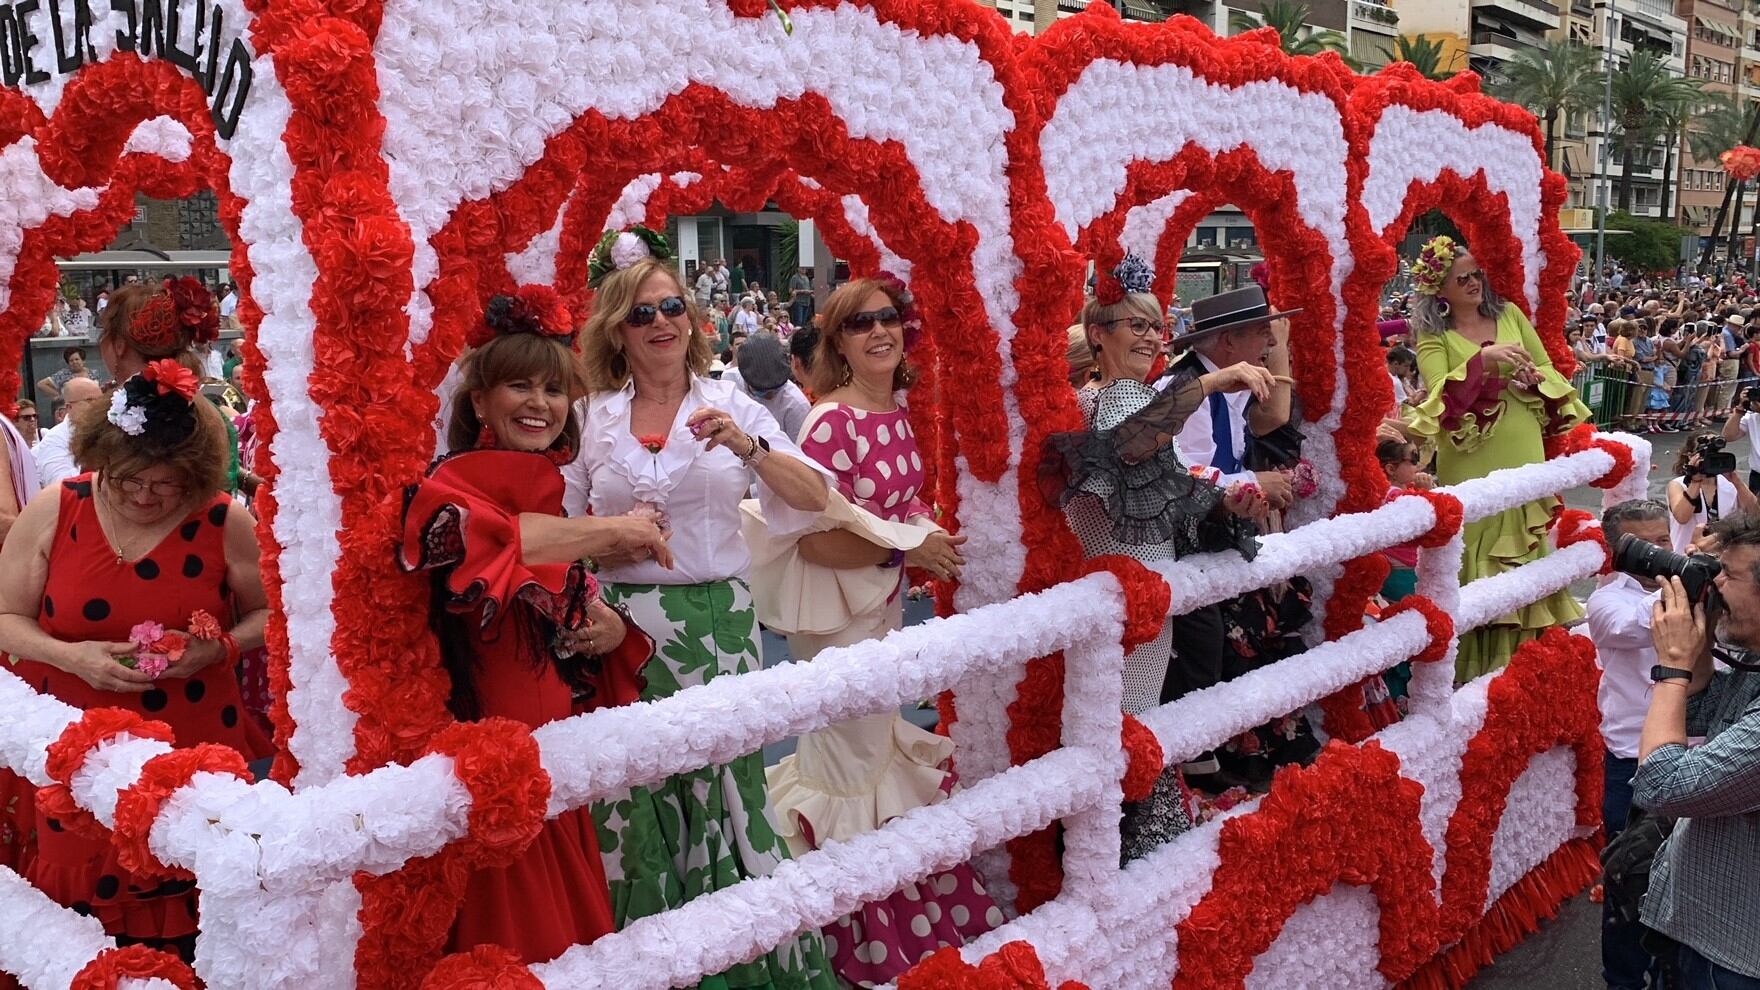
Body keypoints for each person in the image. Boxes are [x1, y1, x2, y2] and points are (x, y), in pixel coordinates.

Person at [564, 229, 836, 988]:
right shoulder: (591, 419)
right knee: (636, 800)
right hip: (617, 635)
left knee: (724, 795)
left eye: (673, 306)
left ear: (693, 317)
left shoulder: (731, 401)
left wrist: (749, 448)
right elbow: (552, 531)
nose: (661, 322)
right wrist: (608, 542)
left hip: (718, 633)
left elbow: (816, 497)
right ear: (616, 331)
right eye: (640, 313)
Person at [400, 288, 670, 964]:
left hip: (554, 761)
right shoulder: (447, 486)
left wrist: (605, 629)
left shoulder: (546, 485)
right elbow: (501, 540)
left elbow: (556, 584)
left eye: (554, 390)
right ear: (479, 400)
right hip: (489, 768)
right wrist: (616, 530)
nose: (540, 404)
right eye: (519, 385)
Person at [752, 277, 1000, 985]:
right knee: (852, 767)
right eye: (860, 324)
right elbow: (814, 544)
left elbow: (901, 506)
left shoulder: (895, 408)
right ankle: (852, 932)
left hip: (882, 611)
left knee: (875, 754)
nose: (879, 332)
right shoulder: (829, 422)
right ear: (838, 342)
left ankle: (899, 919)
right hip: (838, 620)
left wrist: (923, 540)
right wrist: (907, 550)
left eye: (888, 318)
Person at [0, 359, 271, 960]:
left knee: (196, 915)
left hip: (193, 746)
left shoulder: (225, 519)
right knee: (84, 932)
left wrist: (219, 647)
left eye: (165, 484)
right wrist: (71, 657)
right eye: (127, 480)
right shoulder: (57, 507)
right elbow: (4, 620)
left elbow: (273, 616)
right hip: (76, 758)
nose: (145, 496)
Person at [1047, 254, 1273, 812]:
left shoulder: (1133, 396)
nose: (1151, 338)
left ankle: (1121, 839)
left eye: (1156, 326)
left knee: (1121, 727)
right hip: (1127, 593)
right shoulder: (1122, 396)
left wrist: (1224, 500)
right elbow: (1129, 442)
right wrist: (1212, 382)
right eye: (1137, 325)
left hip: (1133, 588)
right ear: (1098, 334)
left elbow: (1164, 485)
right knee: (1125, 728)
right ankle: (1124, 843)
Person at [1403, 235, 1590, 682]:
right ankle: (1478, 666)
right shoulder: (1434, 335)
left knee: (1525, 534)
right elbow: (1435, 391)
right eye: (1460, 278)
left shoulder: (1510, 315)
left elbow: (1548, 367)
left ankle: (1529, 656)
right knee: (1477, 539)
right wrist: (1483, 363)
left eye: (1476, 275)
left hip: (1522, 438)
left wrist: (1531, 377)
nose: (1472, 283)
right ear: (1439, 290)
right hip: (1469, 454)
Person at [1637, 516, 1760, 988]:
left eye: (1728, 574)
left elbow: (1661, 785)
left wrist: (1672, 667)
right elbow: (1712, 719)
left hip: (1735, 954)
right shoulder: (1753, 652)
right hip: (1710, 929)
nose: (1715, 582)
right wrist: (1702, 652)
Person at [1588, 499, 1670, 990]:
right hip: (1631, 762)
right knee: (1629, 883)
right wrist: (1679, 584)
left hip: (1696, 753)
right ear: (1617, 552)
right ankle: (1623, 981)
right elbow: (1629, 629)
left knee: (1686, 879)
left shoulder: (1693, 581)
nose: (1658, 554)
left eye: (1663, 541)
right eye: (1643, 547)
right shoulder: (1607, 602)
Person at [1666, 432, 1757, 553]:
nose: (1709, 458)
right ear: (1690, 456)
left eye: (1715, 454)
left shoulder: (1730, 484)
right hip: (1685, 553)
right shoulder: (1678, 484)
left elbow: (1754, 513)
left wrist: (1737, 482)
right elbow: (1682, 517)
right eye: (1704, 455)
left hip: (1723, 554)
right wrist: (1695, 480)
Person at [727, 332, 811, 442]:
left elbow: (799, 453)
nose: (770, 396)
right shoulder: (731, 382)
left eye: (775, 390)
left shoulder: (796, 405)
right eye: (763, 391)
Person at [34, 377, 105, 488]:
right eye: (90, 400)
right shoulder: (54, 440)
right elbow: (61, 485)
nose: (98, 406)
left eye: (100, 400)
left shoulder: (108, 429)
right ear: (69, 407)